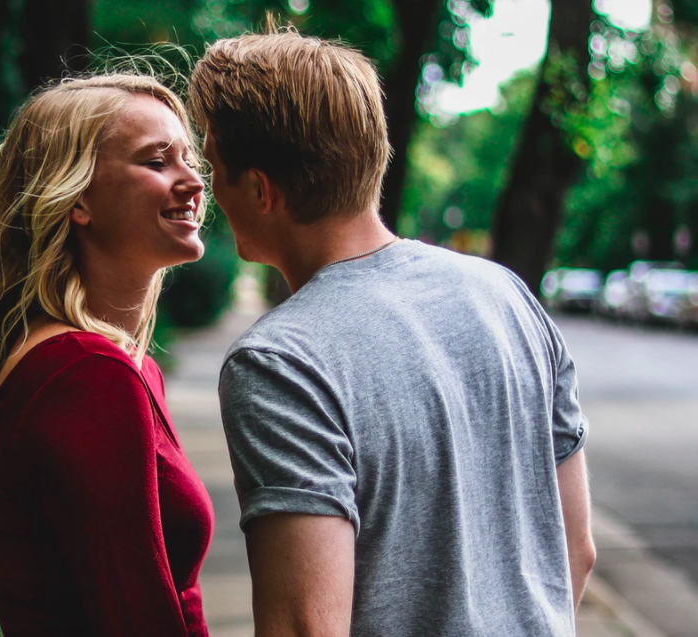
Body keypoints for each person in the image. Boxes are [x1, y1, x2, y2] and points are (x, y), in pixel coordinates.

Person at [188, 26, 595, 637]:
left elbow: (305, 626)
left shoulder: (279, 363)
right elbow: (575, 553)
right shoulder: (507, 296)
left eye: (214, 167)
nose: (207, 189)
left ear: (259, 189)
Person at [0, 74, 214, 636]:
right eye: (157, 161)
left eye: (189, 159)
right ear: (79, 199)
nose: (192, 181)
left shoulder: (120, 368)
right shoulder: (84, 376)